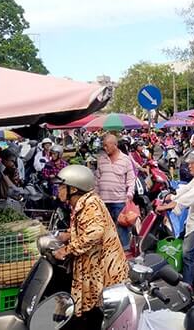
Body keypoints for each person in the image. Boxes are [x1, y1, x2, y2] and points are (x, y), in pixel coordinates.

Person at [52, 165, 128, 330]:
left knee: (98, 312)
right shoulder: (82, 203)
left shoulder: (90, 204)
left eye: (61, 186)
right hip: (94, 265)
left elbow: (94, 233)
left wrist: (66, 249)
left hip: (104, 267)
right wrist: (67, 235)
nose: (58, 190)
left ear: (73, 188)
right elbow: (85, 228)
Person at [156, 150, 194, 287]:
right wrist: (169, 196)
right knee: (179, 243)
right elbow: (185, 189)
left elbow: (191, 196)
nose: (189, 166)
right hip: (193, 220)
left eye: (192, 163)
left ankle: (188, 286)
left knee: (187, 253)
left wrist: (171, 205)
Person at [95, 134, 136, 248]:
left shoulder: (125, 159)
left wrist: (130, 193)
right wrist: (95, 194)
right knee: (104, 230)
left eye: (107, 145)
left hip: (119, 201)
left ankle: (125, 253)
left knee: (121, 229)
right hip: (103, 201)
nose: (105, 148)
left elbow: (131, 179)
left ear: (115, 145)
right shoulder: (101, 159)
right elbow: (97, 179)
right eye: (103, 146)